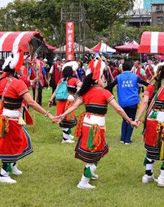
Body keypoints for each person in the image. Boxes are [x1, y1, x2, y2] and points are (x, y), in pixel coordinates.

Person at [0, 48, 55, 184]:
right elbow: (31, 102)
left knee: (23, 140)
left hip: (7, 117)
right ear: (16, 69)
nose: (23, 69)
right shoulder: (18, 83)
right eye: (21, 67)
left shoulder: (3, 81)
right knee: (11, 145)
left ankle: (13, 165)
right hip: (11, 119)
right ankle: (3, 174)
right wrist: (48, 115)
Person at [55, 57, 133, 189]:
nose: (104, 80)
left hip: (87, 125)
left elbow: (74, 106)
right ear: (98, 79)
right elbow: (118, 109)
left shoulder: (86, 92)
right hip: (96, 127)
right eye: (103, 78)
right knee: (95, 152)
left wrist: (62, 115)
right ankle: (83, 181)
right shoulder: (104, 93)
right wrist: (129, 120)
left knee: (97, 150)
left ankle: (89, 174)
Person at [133, 58, 164, 188]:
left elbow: (144, 102)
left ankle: (148, 175)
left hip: (150, 121)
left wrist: (138, 118)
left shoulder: (150, 87)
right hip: (162, 122)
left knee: (151, 146)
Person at [106, 61, 149, 145]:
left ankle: (122, 139)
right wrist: (153, 86)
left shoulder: (118, 77)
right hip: (133, 102)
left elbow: (110, 86)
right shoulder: (135, 76)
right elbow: (145, 83)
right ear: (131, 68)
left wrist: (101, 89)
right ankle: (127, 140)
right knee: (131, 119)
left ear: (122, 68)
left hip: (122, 102)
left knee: (125, 119)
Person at [49, 61, 82, 143]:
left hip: (60, 102)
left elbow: (56, 91)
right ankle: (65, 138)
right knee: (66, 119)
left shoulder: (61, 80)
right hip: (68, 102)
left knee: (65, 118)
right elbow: (81, 85)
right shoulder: (74, 80)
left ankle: (68, 135)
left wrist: (51, 99)